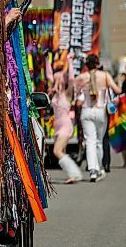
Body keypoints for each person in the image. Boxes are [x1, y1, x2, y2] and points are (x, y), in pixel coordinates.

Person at [75, 54, 121, 182]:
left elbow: (76, 97)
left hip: (86, 110)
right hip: (100, 110)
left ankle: (92, 170)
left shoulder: (80, 77)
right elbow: (117, 90)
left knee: (89, 141)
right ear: (97, 63)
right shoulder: (105, 75)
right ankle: (99, 168)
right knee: (99, 142)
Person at [46, 51, 82, 183]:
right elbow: (49, 75)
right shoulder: (55, 94)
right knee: (62, 152)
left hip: (65, 126)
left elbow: (72, 79)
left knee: (57, 151)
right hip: (58, 126)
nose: (56, 81)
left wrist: (70, 61)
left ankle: (75, 173)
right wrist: (46, 60)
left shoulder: (67, 93)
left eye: (59, 79)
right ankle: (72, 175)